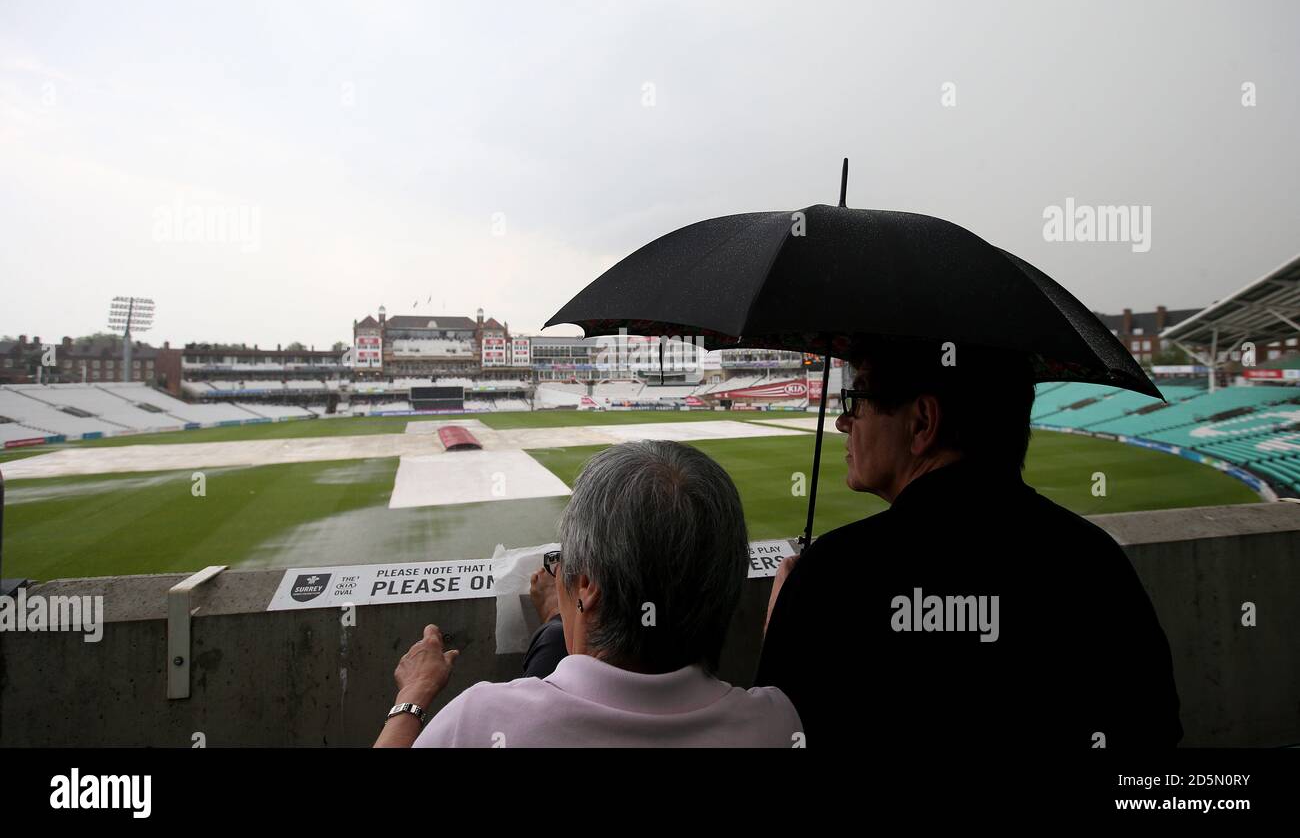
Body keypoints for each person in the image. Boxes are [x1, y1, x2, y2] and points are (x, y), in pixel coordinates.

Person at [756, 335, 1183, 749]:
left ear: (922, 422)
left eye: (859, 399)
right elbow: (1154, 729)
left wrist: (786, 617)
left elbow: (779, 738)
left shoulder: (837, 573)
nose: (842, 421)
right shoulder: (1094, 560)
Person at [374, 440, 802, 747]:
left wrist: (413, 696)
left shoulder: (478, 720)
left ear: (587, 585)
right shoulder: (780, 722)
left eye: (564, 559)